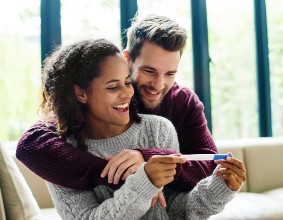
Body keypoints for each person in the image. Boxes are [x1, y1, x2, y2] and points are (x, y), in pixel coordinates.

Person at [39, 38, 245, 219]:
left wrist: (219, 188)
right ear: (81, 93)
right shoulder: (59, 156)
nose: (127, 94)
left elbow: (172, 211)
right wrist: (144, 183)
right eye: (113, 87)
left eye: (127, 83)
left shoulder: (159, 130)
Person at [17, 14, 218, 193]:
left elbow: (208, 165)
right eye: (149, 71)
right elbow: (30, 144)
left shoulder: (184, 101)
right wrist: (120, 174)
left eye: (170, 74)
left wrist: (148, 160)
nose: (158, 84)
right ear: (127, 58)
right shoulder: (102, 98)